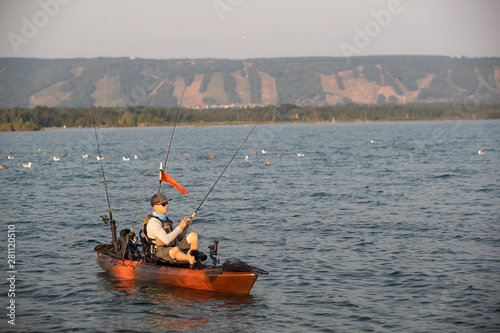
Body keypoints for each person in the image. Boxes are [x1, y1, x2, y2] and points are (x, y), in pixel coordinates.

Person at [142, 193, 200, 266]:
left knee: (193, 236)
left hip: (172, 248)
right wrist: (179, 226)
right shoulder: (153, 222)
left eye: (167, 203)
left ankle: (193, 254)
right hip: (159, 251)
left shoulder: (165, 219)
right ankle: (190, 259)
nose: (166, 205)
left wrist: (185, 226)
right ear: (155, 207)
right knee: (175, 250)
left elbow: (178, 238)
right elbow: (167, 240)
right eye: (163, 204)